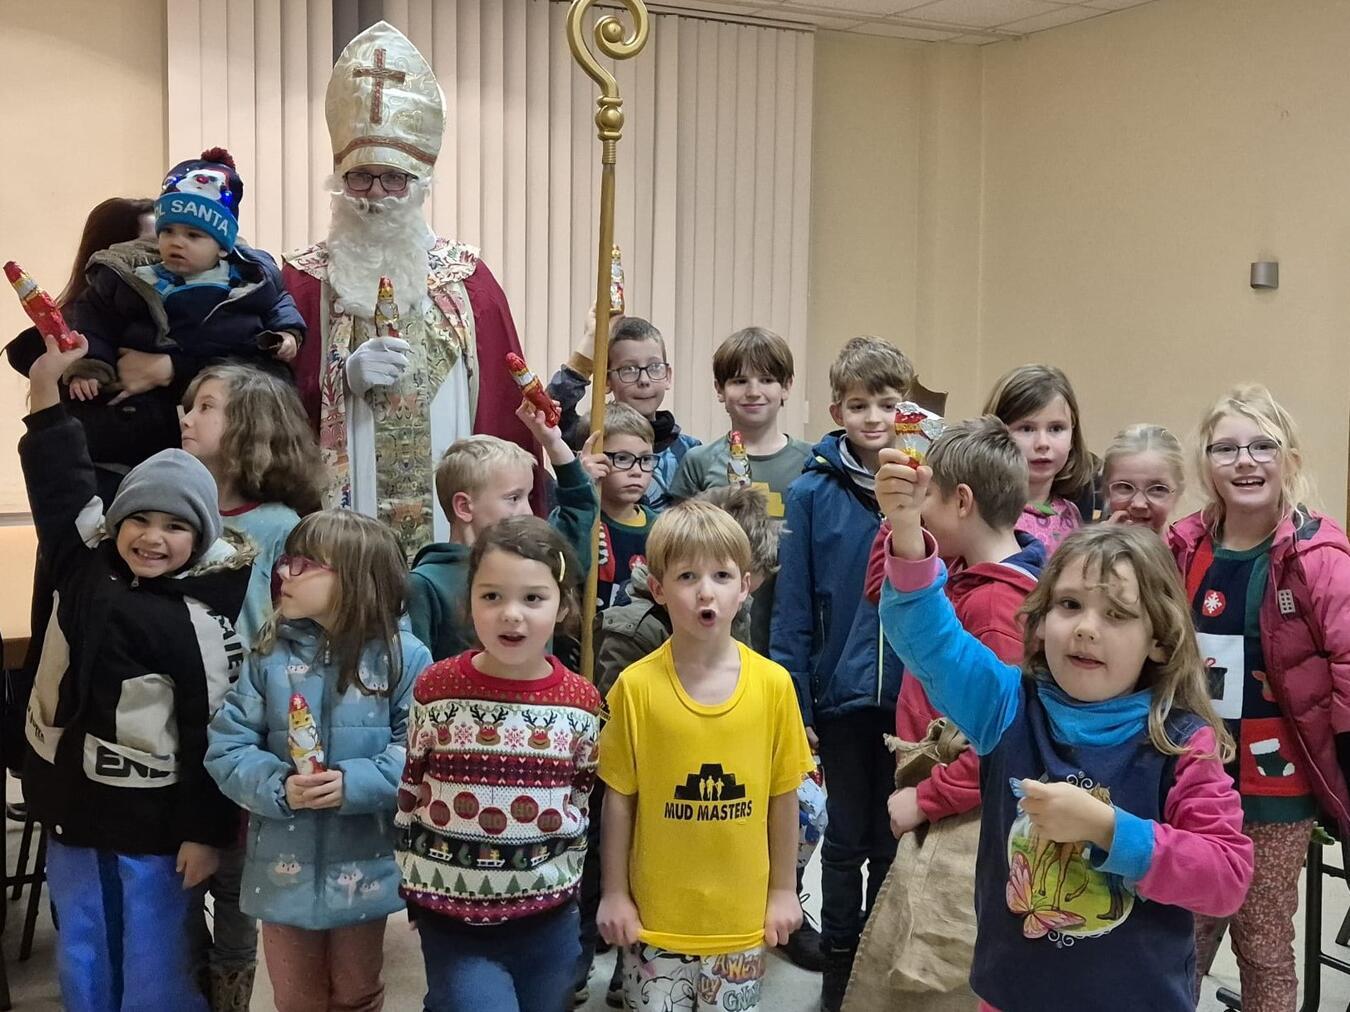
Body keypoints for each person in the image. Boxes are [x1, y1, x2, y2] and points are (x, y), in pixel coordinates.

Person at [876, 450, 1254, 1010]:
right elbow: (928, 637)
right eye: (1069, 605)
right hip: (1011, 995)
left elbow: (1226, 876)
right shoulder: (1006, 705)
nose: (1085, 630)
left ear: (1159, 638)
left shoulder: (1182, 741)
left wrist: (1109, 830)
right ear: (1040, 616)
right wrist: (908, 534)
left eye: (1118, 615)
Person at [18, 332, 252, 1011]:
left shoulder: (200, 621)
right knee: (85, 949)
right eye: (140, 520)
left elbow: (213, 734)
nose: (154, 537)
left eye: (176, 527)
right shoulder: (81, 563)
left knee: (152, 963)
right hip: (71, 811)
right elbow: (60, 479)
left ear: (200, 537)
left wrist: (205, 835)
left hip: (150, 827)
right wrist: (43, 387)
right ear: (115, 524)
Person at [284, 21, 537, 558]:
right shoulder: (305, 281)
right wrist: (339, 379)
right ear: (339, 182)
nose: (375, 193)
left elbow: (498, 406)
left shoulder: (467, 279)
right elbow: (274, 412)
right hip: (344, 514)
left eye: (393, 177)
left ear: (419, 184)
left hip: (452, 519)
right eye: (360, 176)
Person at [848, 418, 1043, 1010]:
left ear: (961, 501)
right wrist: (902, 521)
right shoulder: (962, 573)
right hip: (940, 787)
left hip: (966, 808)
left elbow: (1001, 741)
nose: (919, 509)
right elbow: (886, 589)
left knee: (938, 957)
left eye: (927, 496)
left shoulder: (994, 604)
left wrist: (926, 799)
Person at [1170, 385, 1350, 1012]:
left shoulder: (1317, 553)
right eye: (1227, 448)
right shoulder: (1183, 546)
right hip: (1191, 775)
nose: (1245, 461)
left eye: (1261, 446)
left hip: (1279, 787)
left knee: (1265, 943)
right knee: (1179, 938)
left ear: (1288, 457)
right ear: (1206, 463)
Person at [206, 510, 430, 1012]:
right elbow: (226, 747)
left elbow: (420, 752)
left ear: (354, 578)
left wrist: (354, 782)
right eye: (287, 560)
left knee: (356, 992)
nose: (283, 572)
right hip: (279, 870)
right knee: (297, 998)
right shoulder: (267, 656)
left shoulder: (405, 658)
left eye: (304, 564)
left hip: (366, 867)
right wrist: (277, 786)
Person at [597, 499, 814, 1010]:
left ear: (745, 586)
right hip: (656, 917)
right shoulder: (634, 687)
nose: (705, 590)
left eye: (721, 574)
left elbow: (784, 797)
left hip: (739, 921)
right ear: (658, 588)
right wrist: (613, 892)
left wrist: (783, 892)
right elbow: (619, 799)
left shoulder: (773, 685)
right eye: (687, 575)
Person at [396, 516, 603, 1012]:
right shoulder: (435, 687)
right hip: (450, 912)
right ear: (470, 602)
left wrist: (566, 882)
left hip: (547, 915)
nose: (512, 615)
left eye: (533, 598)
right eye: (492, 597)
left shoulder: (581, 702)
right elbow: (412, 784)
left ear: (563, 605)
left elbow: (580, 793)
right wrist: (412, 877)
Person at [769, 334, 910, 1011]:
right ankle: (840, 963)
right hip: (840, 697)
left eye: (888, 403)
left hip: (912, 702)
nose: (875, 417)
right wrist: (795, 703)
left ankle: (879, 959)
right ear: (837, 410)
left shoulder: (925, 485)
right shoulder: (809, 493)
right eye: (860, 405)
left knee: (892, 835)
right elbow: (793, 610)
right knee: (845, 837)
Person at [52, 148, 303, 472]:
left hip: (221, 439)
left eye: (193, 235)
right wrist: (91, 364)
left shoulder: (247, 284)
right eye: (168, 232)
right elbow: (94, 319)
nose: (177, 242)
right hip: (139, 434)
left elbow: (276, 308)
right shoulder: (135, 281)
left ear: (223, 245)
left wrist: (288, 332)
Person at [407, 401, 600, 661]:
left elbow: (579, 510)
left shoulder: (538, 561)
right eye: (513, 498)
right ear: (464, 507)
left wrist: (553, 443)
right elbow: (415, 669)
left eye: (528, 497)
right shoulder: (426, 584)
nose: (528, 512)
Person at [668, 325, 812, 655]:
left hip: (789, 624)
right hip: (715, 627)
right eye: (738, 381)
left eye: (766, 380)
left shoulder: (812, 463)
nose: (753, 391)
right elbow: (678, 550)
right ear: (720, 389)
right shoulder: (698, 462)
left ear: (787, 386)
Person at [181, 363, 326, 644]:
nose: (186, 420)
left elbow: (296, 626)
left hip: (250, 680)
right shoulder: (180, 514)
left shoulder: (281, 526)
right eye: (190, 408)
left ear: (249, 425)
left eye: (205, 407)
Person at [549, 314, 699, 510]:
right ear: (606, 381)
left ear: (668, 376)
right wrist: (590, 342)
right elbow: (549, 411)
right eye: (629, 369)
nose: (644, 380)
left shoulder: (689, 452)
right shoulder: (593, 440)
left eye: (654, 367)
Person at [982, 364, 1092, 553]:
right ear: (995, 434)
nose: (1042, 443)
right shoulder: (982, 513)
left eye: (1056, 428)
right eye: (1026, 429)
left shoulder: (1071, 513)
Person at [583, 402, 661, 609]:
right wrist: (582, 483)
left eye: (645, 459)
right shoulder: (582, 522)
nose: (637, 471)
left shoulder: (661, 528)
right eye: (623, 458)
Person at [1101, 423, 1185, 534]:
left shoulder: (1191, 549)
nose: (1139, 504)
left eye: (1157, 489)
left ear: (1177, 493)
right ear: (1107, 491)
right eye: (1125, 487)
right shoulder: (1084, 550)